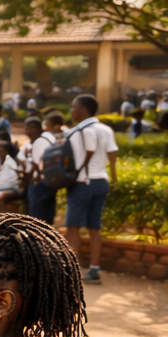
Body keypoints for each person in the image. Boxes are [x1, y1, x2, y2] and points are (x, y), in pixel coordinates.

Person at [63, 94, 117, 285]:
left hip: (84, 182)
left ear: (83, 108)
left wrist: (76, 171)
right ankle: (94, 269)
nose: (71, 110)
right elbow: (112, 153)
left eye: (73, 106)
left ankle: (70, 270)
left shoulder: (81, 130)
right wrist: (115, 178)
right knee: (94, 227)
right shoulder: (105, 129)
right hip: (102, 181)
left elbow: (88, 151)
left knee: (72, 227)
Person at [23, 113, 64, 224]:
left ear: (34, 129)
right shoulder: (51, 137)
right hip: (52, 181)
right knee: (47, 217)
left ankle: (35, 240)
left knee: (36, 219)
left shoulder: (39, 142)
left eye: (27, 128)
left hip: (39, 183)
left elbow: (37, 165)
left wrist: (27, 179)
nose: (25, 131)